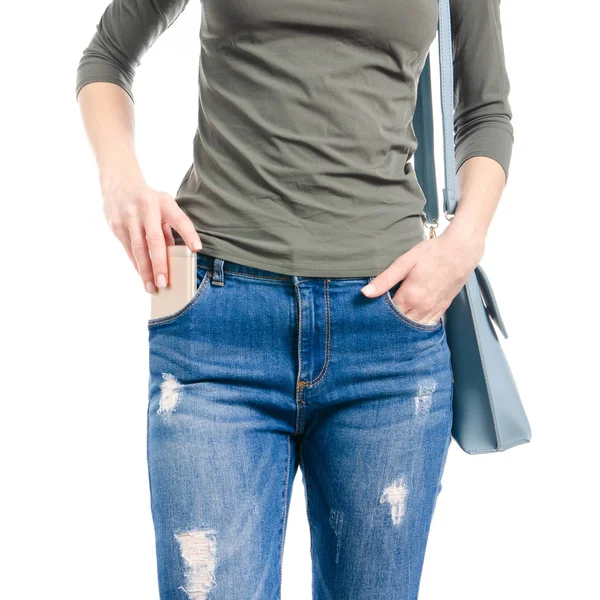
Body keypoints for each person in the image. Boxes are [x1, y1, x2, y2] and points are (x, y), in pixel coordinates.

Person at [75, 0, 513, 597]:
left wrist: (464, 241)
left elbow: (485, 111)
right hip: (217, 335)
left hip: (387, 338)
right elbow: (107, 55)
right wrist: (120, 182)